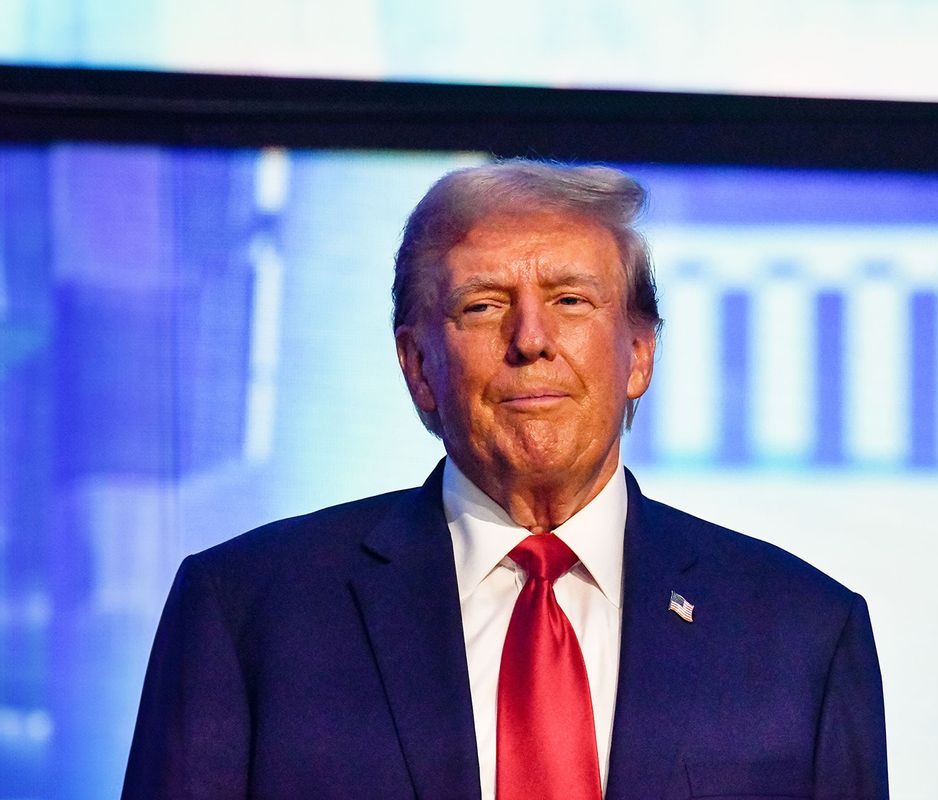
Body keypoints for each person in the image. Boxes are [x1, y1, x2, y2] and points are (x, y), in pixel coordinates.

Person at [123, 160, 888, 799]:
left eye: (570, 300)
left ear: (640, 355)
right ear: (419, 366)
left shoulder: (805, 633)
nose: (531, 340)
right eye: (484, 305)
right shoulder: (247, 612)